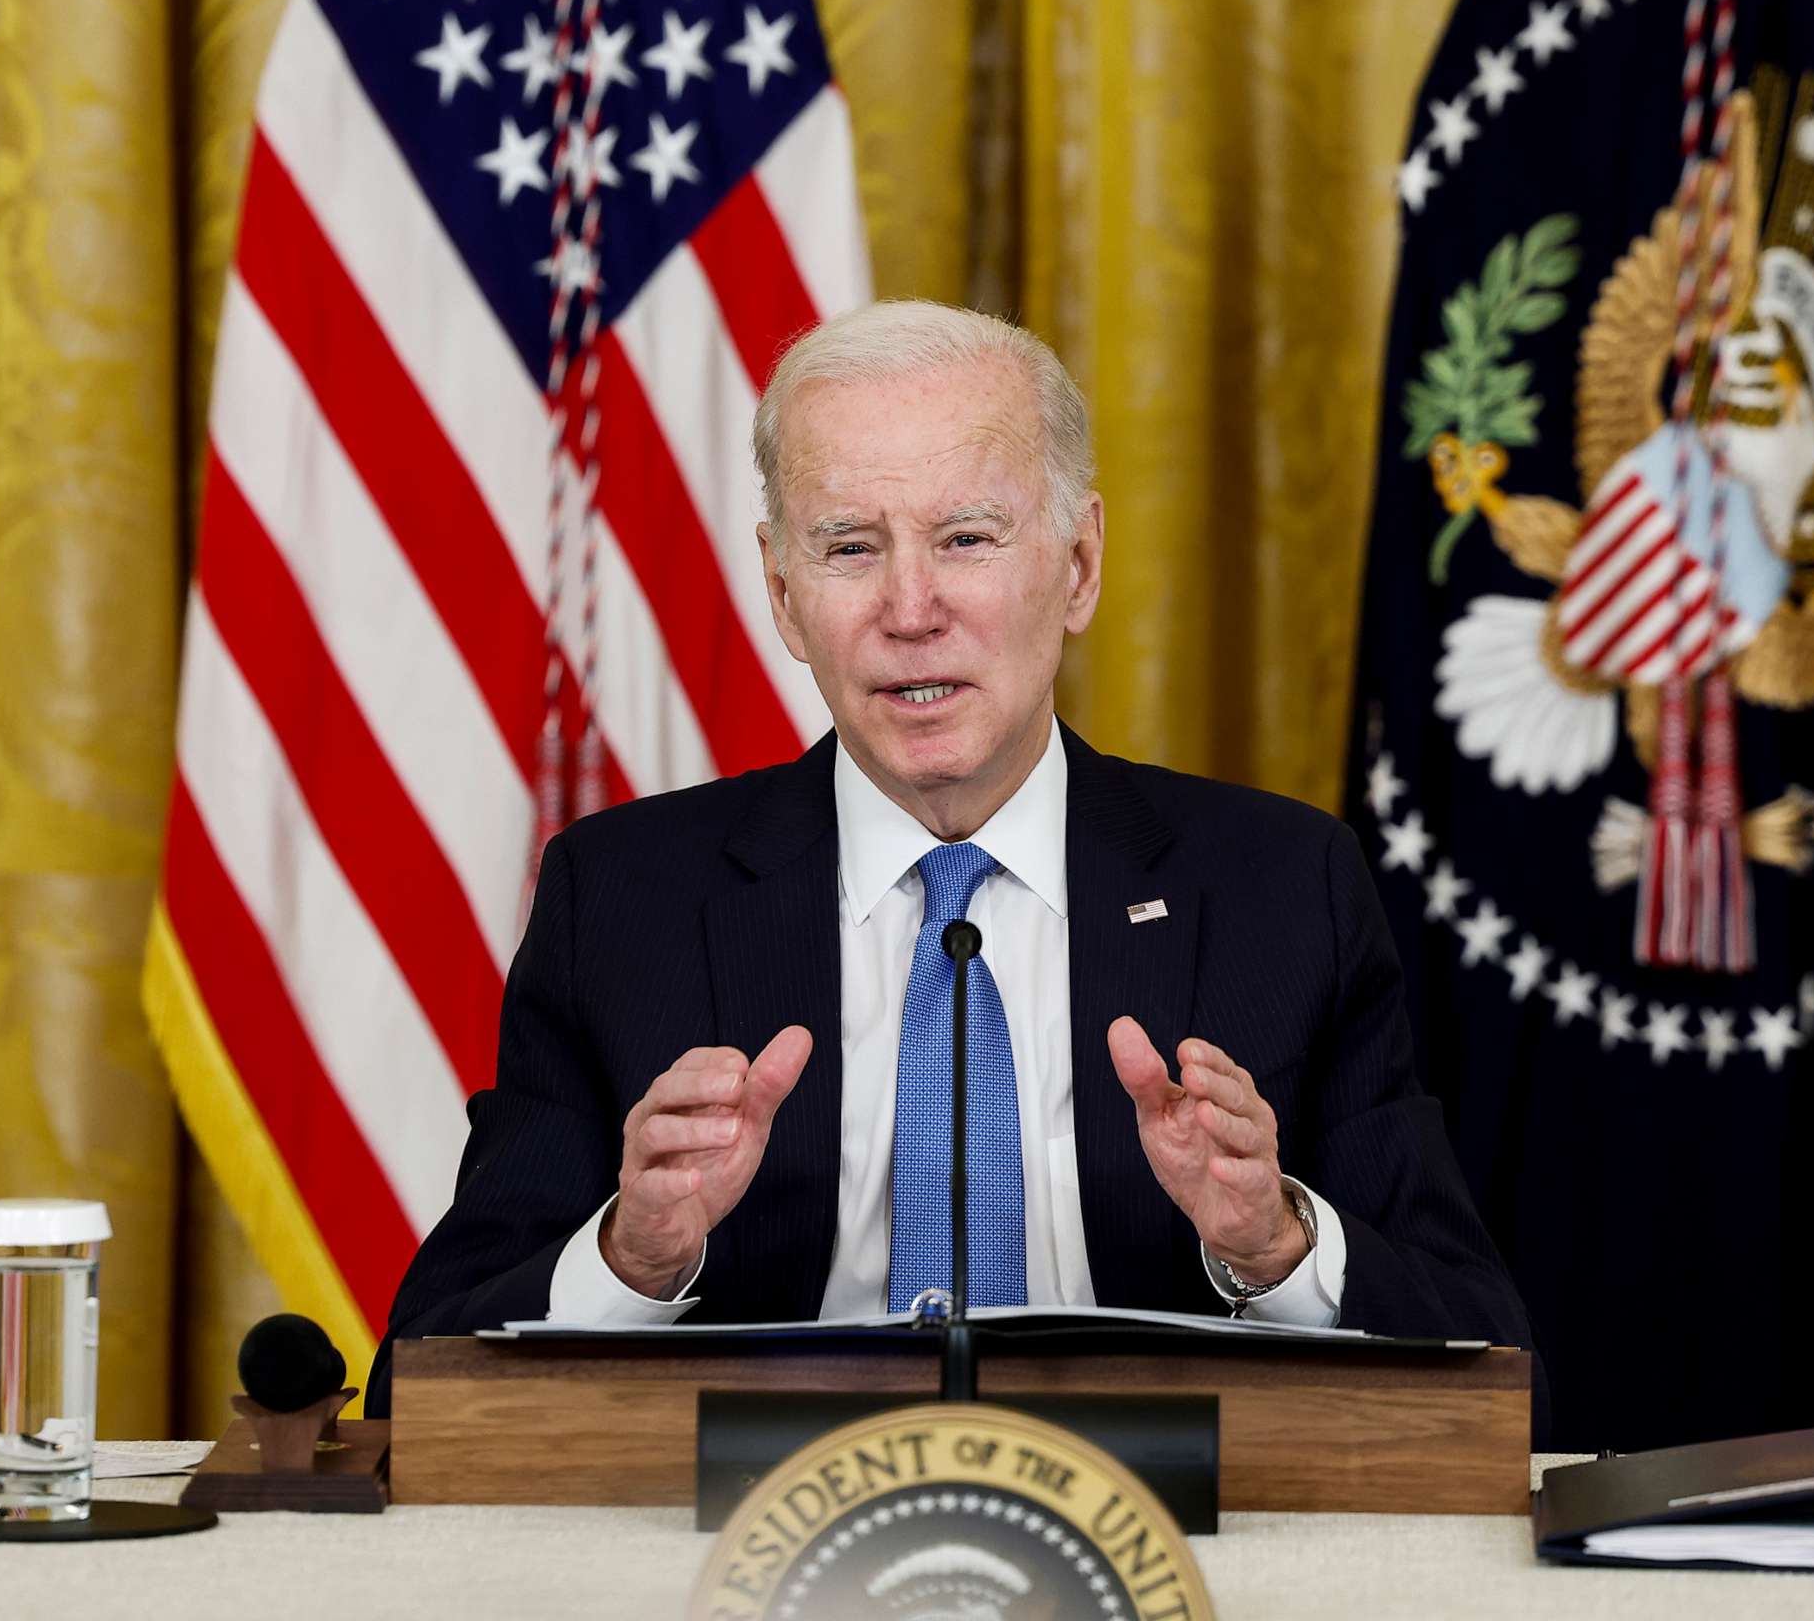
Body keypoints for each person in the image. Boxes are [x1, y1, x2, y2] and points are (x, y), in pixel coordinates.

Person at [369, 301, 1535, 1413]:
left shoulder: (1284, 887)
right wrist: (634, 1257)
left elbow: (1485, 1355)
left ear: (1077, 567)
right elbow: (417, 1383)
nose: (910, 609)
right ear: (783, 594)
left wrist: (1273, 1244)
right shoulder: (623, 898)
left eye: (967, 539)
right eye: (850, 549)